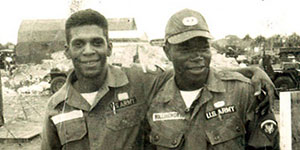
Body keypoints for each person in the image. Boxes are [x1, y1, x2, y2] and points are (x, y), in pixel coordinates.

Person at [41, 9, 276, 150]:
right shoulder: (55, 107)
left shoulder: (137, 82)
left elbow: (191, 70)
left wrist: (251, 71)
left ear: (109, 47)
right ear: (67, 51)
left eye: (97, 42)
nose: (89, 51)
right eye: (79, 44)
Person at [145, 8, 278, 150]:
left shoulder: (243, 92)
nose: (197, 56)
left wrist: (253, 70)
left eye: (203, 48)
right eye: (186, 49)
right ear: (167, 52)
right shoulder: (154, 99)